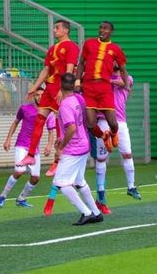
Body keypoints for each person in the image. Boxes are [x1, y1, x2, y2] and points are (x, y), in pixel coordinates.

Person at [18, 19, 79, 167]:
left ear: (66, 30)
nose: (54, 31)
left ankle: (57, 161)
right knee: (39, 120)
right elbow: (46, 70)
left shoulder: (72, 46)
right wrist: (35, 87)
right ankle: (31, 155)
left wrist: (62, 89)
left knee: (61, 123)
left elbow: (69, 69)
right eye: (54, 28)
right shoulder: (52, 49)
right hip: (49, 88)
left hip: (60, 89)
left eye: (57, 28)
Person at [52, 73, 103, 225]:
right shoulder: (79, 99)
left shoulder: (65, 105)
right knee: (79, 181)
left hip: (73, 149)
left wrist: (60, 147)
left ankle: (86, 212)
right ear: (74, 85)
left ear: (60, 85)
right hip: (84, 144)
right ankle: (96, 212)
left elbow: (72, 128)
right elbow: (81, 121)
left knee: (61, 182)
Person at [75, 21, 130, 153]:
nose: (102, 30)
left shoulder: (116, 49)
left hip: (105, 88)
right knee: (90, 124)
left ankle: (113, 133)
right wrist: (77, 81)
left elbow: (123, 69)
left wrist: (126, 85)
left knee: (113, 123)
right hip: (88, 87)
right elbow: (81, 63)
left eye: (106, 29)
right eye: (100, 28)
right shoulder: (89, 43)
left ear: (111, 32)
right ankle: (103, 136)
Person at [93, 65, 141, 215]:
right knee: (101, 159)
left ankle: (131, 186)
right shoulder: (101, 80)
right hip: (103, 121)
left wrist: (105, 79)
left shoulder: (127, 78)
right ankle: (101, 192)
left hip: (120, 122)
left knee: (127, 154)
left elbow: (124, 83)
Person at [0, 88, 56, 208]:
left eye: (42, 95)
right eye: (37, 95)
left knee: (35, 177)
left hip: (35, 150)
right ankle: (3, 196)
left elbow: (51, 131)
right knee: (19, 171)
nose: (39, 97)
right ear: (34, 96)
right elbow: (15, 123)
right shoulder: (24, 108)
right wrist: (8, 139)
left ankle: (21, 199)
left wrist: (49, 145)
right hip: (22, 144)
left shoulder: (49, 112)